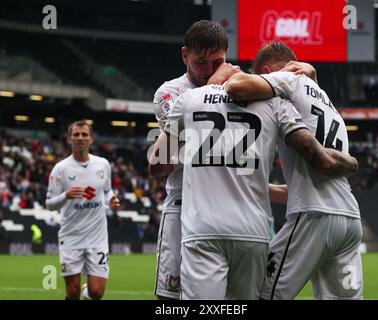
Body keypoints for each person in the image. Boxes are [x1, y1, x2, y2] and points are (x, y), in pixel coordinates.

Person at [150, 77, 357, 299]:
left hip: (206, 223)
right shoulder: (283, 100)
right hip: (265, 228)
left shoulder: (189, 98)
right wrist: (351, 163)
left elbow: (157, 164)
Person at [225, 41, 363, 300]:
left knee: (260, 293)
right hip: (349, 221)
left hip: (314, 216)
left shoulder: (288, 81)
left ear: (267, 72)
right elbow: (311, 181)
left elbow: (236, 88)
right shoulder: (328, 104)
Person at [150, 20, 240, 300]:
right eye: (202, 62)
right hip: (183, 204)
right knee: (170, 296)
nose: (210, 70)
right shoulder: (169, 93)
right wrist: (213, 87)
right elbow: (165, 159)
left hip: (229, 205)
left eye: (218, 62)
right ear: (184, 55)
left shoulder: (240, 87)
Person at [45, 120, 120, 300]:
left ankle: (88, 293)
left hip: (97, 236)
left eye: (84, 134)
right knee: (72, 292)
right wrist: (66, 196)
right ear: (69, 138)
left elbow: (107, 190)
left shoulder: (102, 164)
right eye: (76, 135)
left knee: (96, 292)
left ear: (91, 139)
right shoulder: (61, 169)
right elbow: (49, 203)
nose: (80, 138)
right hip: (71, 236)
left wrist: (112, 199)